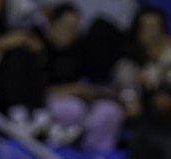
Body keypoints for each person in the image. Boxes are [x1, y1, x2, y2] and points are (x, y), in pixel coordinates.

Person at [33, 3, 124, 150]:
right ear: (52, 24)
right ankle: (57, 152)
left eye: (75, 28)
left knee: (110, 111)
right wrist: (70, 90)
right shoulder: (38, 46)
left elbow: (89, 85)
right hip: (44, 106)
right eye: (66, 26)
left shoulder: (80, 50)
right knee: (73, 108)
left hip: (81, 102)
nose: (70, 32)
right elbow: (31, 90)